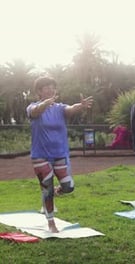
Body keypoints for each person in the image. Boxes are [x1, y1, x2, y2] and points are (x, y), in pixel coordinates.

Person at [27, 76, 93, 233]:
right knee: (46, 189)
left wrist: (81, 106)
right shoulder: (32, 107)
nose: (50, 89)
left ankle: (57, 191)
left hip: (59, 154)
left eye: (52, 86)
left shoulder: (60, 108)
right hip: (40, 155)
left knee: (68, 187)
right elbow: (36, 112)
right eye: (46, 87)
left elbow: (70, 109)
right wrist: (45, 104)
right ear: (39, 91)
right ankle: (51, 223)